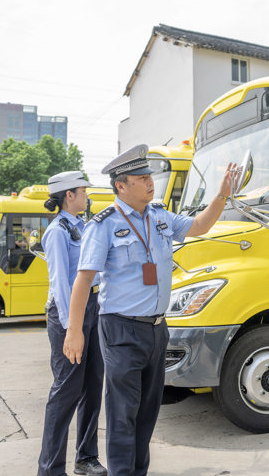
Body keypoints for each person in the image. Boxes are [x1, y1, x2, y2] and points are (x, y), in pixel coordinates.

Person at [63, 144, 237, 476]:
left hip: (157, 329)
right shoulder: (104, 225)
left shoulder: (159, 216)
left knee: (146, 413)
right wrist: (74, 331)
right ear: (121, 185)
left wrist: (222, 196)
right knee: (122, 414)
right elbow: (83, 280)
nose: (149, 182)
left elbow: (199, 226)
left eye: (149, 176)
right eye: (141, 178)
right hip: (121, 329)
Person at [38, 170, 107, 476]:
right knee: (67, 389)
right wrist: (71, 329)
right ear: (69, 195)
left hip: (92, 308)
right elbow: (60, 284)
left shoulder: (83, 225)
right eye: (83, 191)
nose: (86, 195)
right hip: (68, 314)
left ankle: (86, 458)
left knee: (92, 387)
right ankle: (50, 469)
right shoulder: (57, 232)